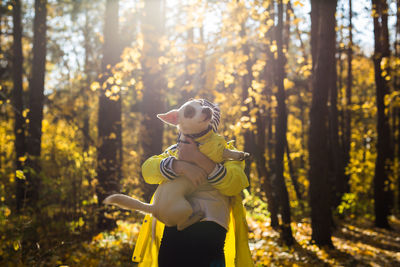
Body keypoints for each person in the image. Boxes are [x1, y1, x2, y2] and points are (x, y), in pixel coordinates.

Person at [132, 124, 253, 267]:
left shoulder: (225, 152)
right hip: (174, 228)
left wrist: (199, 158)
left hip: (209, 226)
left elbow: (234, 185)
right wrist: (179, 166)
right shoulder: (177, 150)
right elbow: (148, 170)